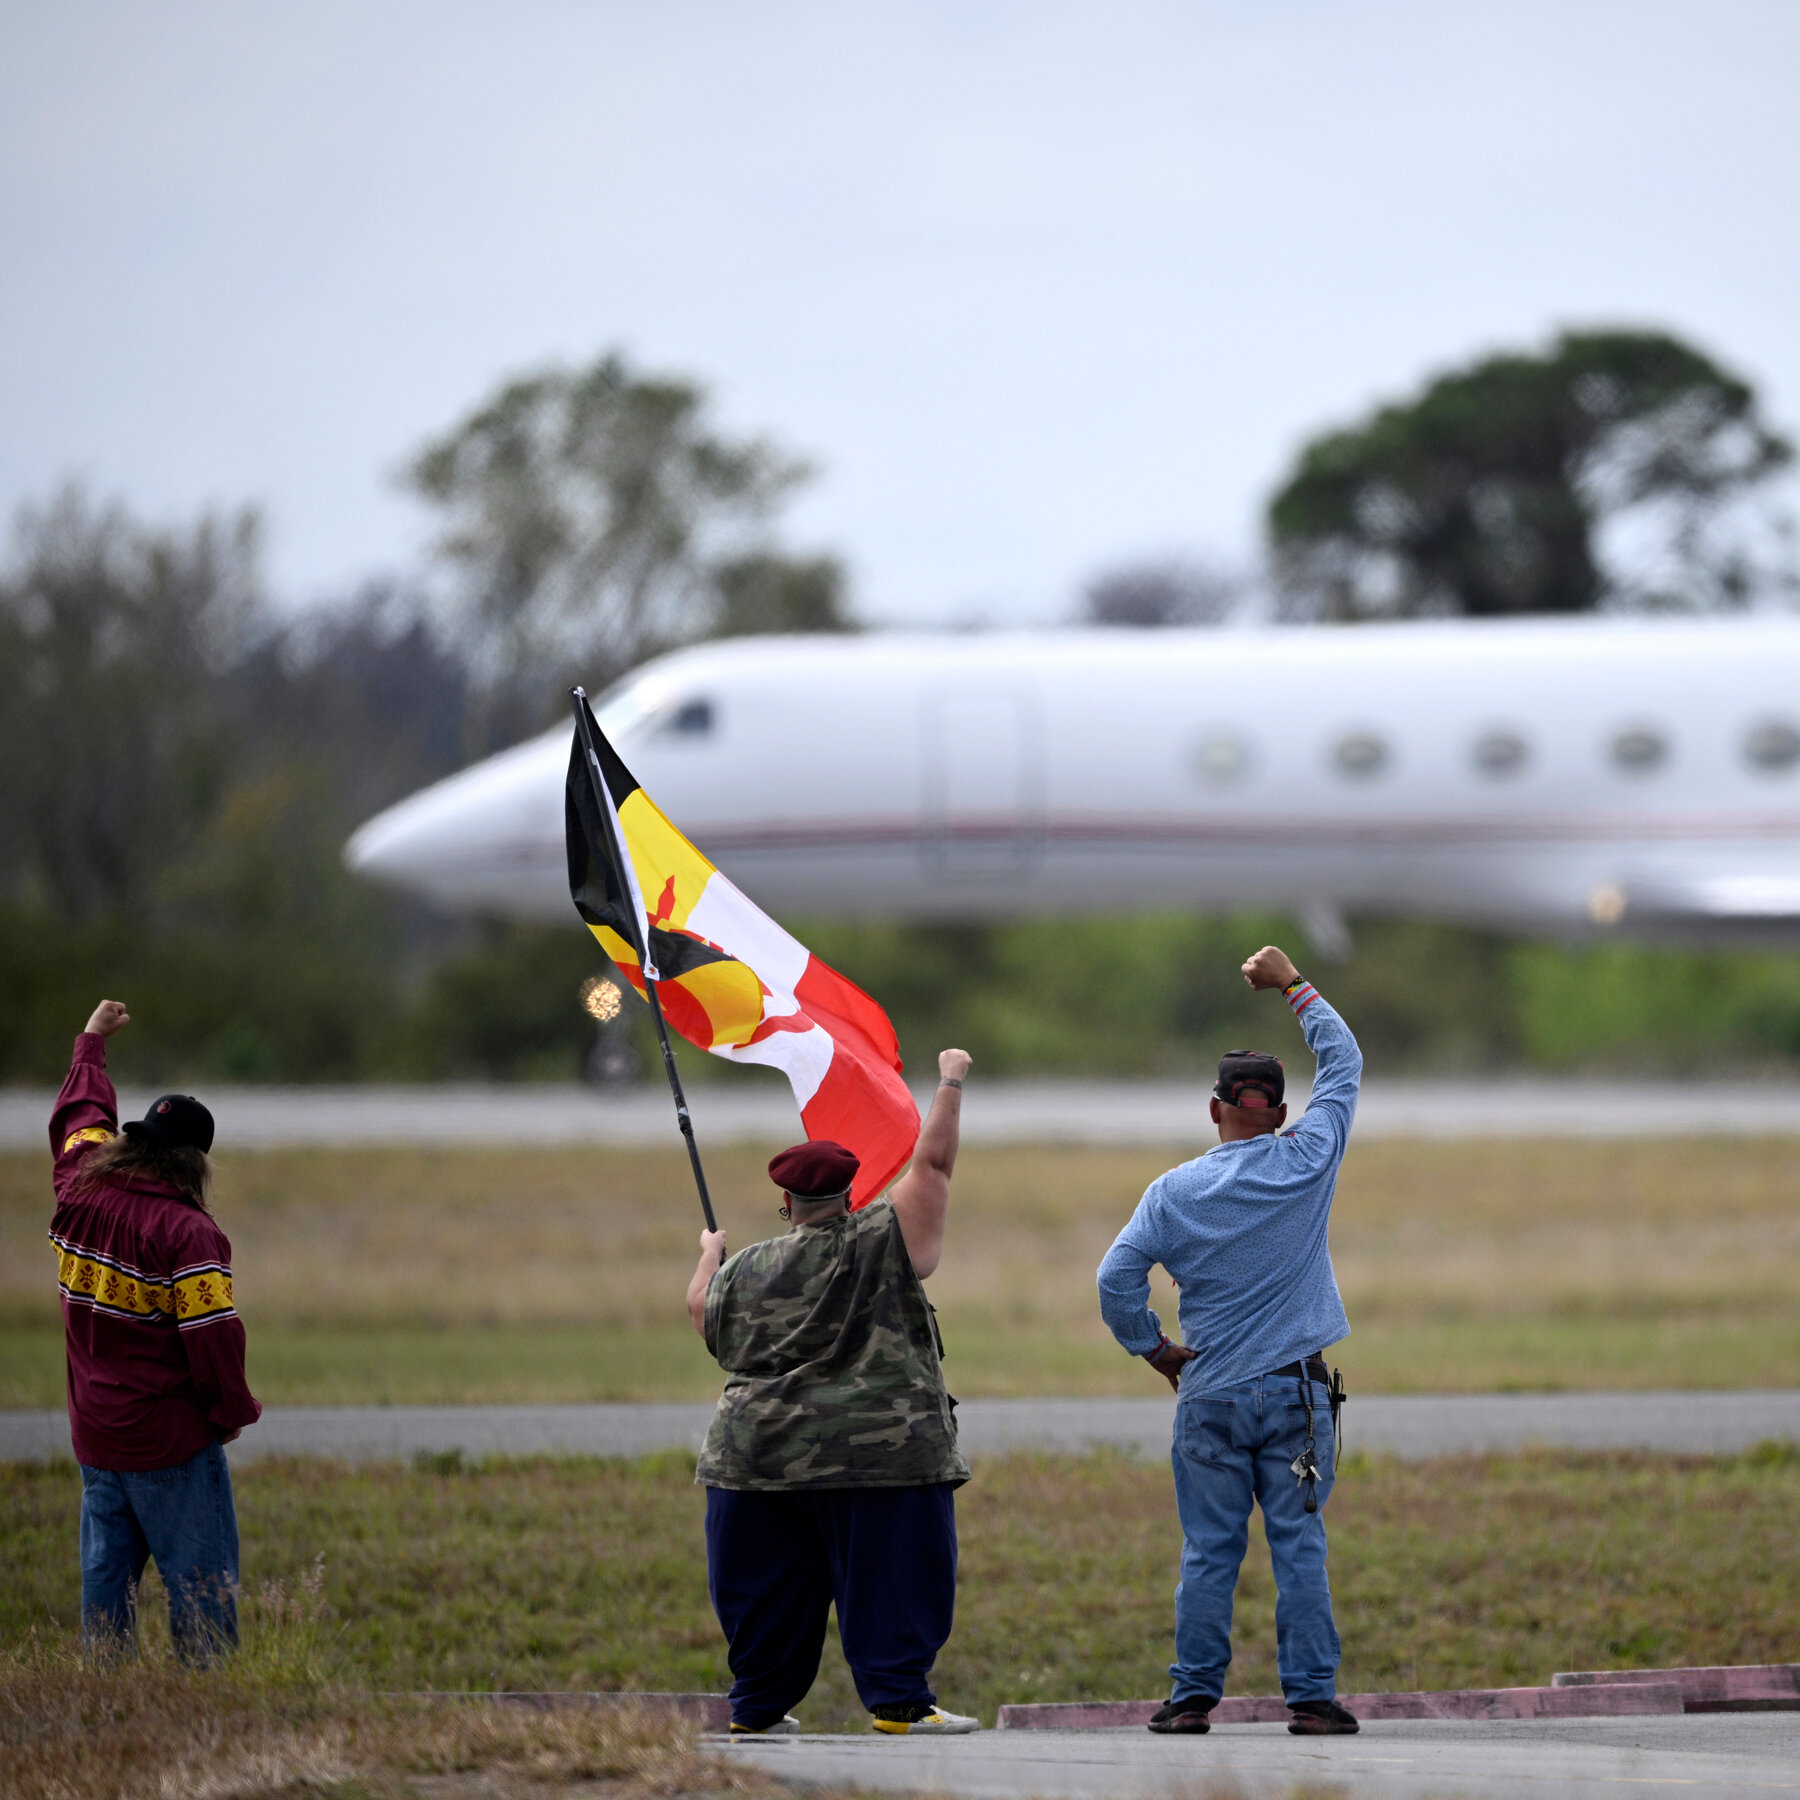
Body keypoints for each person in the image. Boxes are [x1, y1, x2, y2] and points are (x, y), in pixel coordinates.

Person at [1098, 946, 1362, 1738]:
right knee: (1299, 1549)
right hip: (1297, 1396)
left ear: (1215, 1110)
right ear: (1280, 1114)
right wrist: (1292, 984)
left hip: (1208, 1394)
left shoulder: (1172, 1192)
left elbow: (1115, 1278)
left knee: (1209, 1553)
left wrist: (1154, 1349)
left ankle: (1190, 1701)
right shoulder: (1309, 1157)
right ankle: (1311, 1700)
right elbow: (1344, 1061)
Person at [685, 1048, 980, 1738]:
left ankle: (755, 1710)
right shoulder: (885, 1236)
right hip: (882, 1458)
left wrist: (709, 1252)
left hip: (755, 1460)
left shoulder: (745, 1268)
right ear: (851, 1195)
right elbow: (932, 1166)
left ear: (785, 1203)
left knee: (765, 1593)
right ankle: (899, 1703)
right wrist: (950, 1080)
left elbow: (702, 1311)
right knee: (895, 1579)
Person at [48, 999, 261, 1662]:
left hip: (95, 1432)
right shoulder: (189, 1234)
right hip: (169, 1440)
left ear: (135, 1141)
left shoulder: (77, 1188)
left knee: (105, 1589)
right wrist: (229, 1412)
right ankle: (204, 1703)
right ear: (194, 1163)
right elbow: (213, 1339)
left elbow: (79, 1122)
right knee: (201, 1591)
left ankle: (106, 1698)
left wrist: (91, 1044)